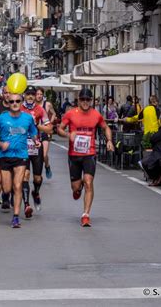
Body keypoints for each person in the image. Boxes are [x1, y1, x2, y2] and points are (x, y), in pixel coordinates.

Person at [57, 88, 114, 227]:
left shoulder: (96, 114)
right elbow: (59, 129)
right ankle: (78, 187)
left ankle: (86, 215)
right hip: (74, 155)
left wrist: (109, 140)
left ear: (91, 101)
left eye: (88, 100)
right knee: (76, 188)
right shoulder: (71, 114)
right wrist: (67, 135)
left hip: (89, 154)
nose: (85, 102)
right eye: (82, 99)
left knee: (89, 182)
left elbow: (106, 127)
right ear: (78, 100)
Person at [0, 93, 39, 228]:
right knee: (6, 188)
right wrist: (0, 144)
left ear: (22, 102)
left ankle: (16, 216)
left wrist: (36, 141)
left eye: (17, 101)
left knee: (18, 186)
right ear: (8, 103)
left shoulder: (28, 118)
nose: (15, 103)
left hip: (21, 155)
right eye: (12, 102)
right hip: (5, 156)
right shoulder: (1, 118)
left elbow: (33, 132)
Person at [20, 86, 53, 216]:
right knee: (25, 176)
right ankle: (27, 205)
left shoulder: (40, 109)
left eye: (32, 94)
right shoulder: (19, 108)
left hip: (36, 146)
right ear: (24, 95)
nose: (30, 96)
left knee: (37, 178)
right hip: (22, 147)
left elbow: (49, 128)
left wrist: (37, 125)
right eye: (28, 94)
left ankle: (36, 192)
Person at [35, 87, 57, 179]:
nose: (39, 96)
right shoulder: (32, 105)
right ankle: (37, 174)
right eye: (37, 94)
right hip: (34, 133)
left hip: (44, 131)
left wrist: (50, 123)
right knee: (35, 155)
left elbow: (54, 114)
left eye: (41, 94)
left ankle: (47, 166)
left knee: (44, 155)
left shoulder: (47, 104)